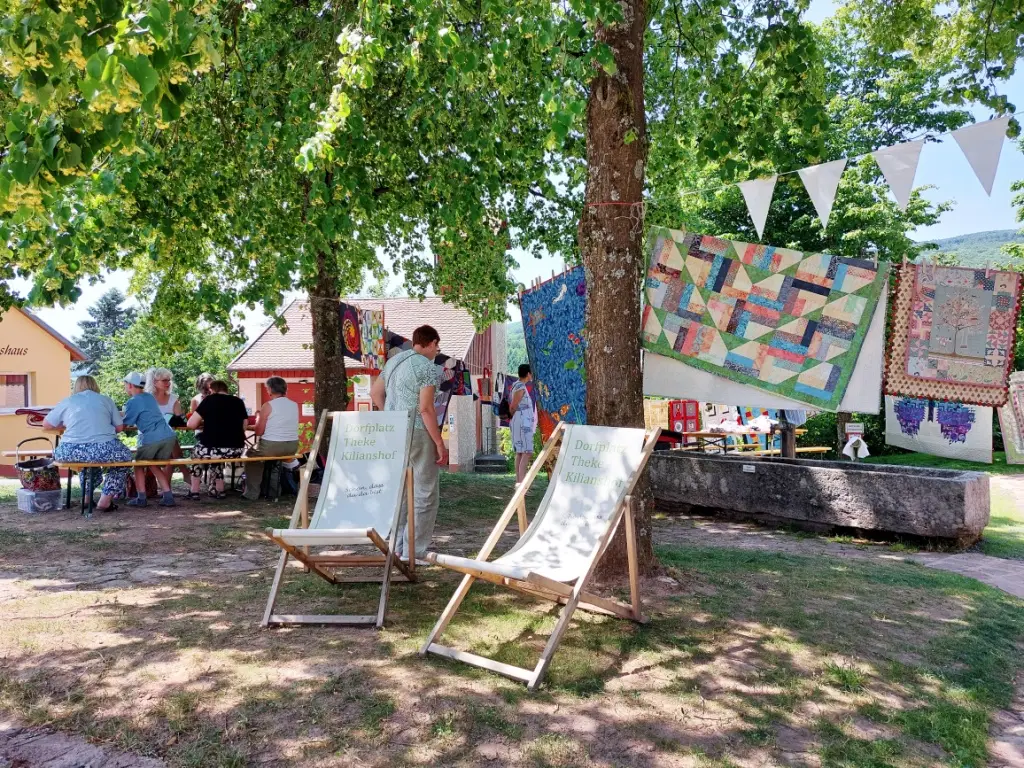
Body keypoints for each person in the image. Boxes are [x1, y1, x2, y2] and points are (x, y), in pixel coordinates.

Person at [371, 324, 447, 561]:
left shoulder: (393, 361)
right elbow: (425, 409)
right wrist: (439, 441)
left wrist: (389, 416)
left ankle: (397, 547)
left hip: (393, 431)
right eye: (437, 347)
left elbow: (375, 393)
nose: (436, 351)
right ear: (432, 343)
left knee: (402, 492)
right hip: (417, 430)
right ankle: (414, 551)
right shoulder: (427, 367)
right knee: (425, 492)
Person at [43, 375, 132, 511]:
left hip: (69, 451)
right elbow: (119, 427)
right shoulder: (105, 400)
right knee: (125, 458)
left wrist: (66, 423)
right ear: (95, 386)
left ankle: (87, 497)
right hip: (103, 448)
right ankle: (105, 499)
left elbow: (47, 424)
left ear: (76, 387)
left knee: (88, 463)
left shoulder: (68, 401)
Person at [122, 371, 177, 507]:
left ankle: (141, 498)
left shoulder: (133, 401)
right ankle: (168, 496)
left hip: (152, 437)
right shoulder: (149, 397)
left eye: (125, 384)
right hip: (168, 435)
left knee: (138, 465)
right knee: (153, 463)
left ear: (130, 385)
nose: (124, 387)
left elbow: (125, 424)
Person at [186, 380, 248, 500]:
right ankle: (219, 489)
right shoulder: (238, 401)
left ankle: (194, 490)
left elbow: (191, 424)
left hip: (214, 448)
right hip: (236, 449)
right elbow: (244, 425)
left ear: (212, 390)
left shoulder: (209, 400)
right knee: (216, 456)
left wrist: (205, 422)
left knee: (196, 454)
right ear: (226, 389)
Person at [243, 376, 300, 501]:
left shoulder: (268, 405)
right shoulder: (294, 405)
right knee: (275, 461)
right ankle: (273, 491)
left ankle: (252, 493)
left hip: (272, 446)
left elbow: (259, 431)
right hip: (292, 446)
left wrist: (258, 418)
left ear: (269, 389)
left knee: (251, 457)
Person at [509, 363, 536, 484]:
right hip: (522, 422)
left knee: (520, 452)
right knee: (527, 452)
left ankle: (519, 483)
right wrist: (513, 418)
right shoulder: (520, 387)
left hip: (519, 421)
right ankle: (521, 484)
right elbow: (513, 406)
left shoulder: (517, 385)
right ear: (528, 374)